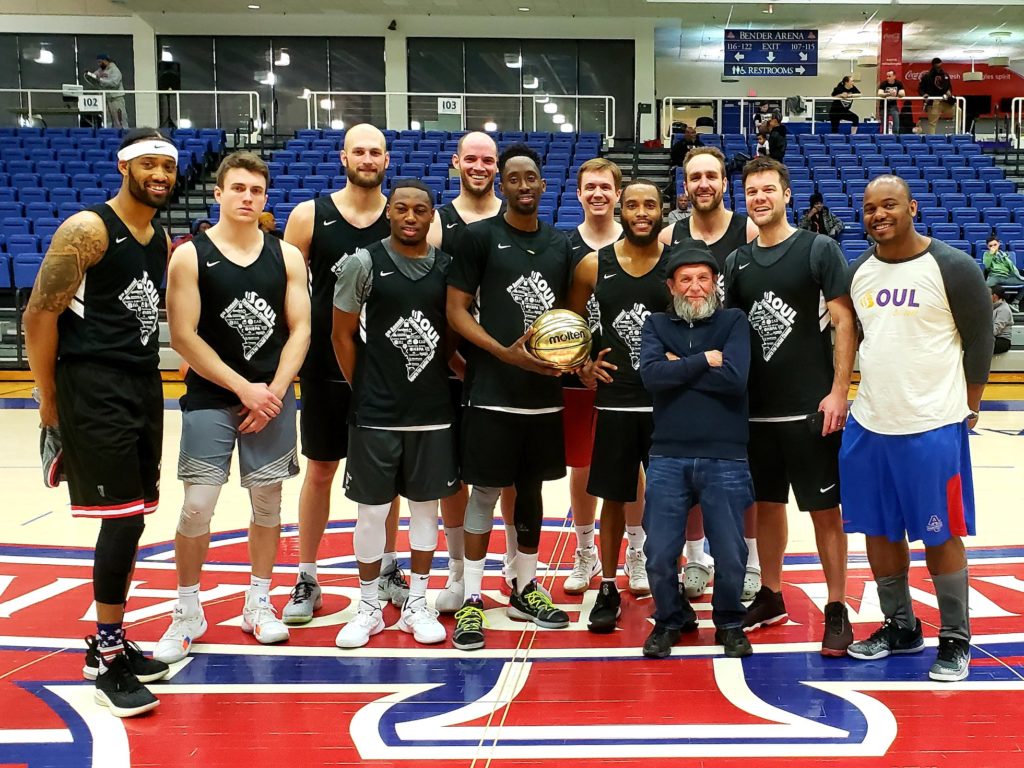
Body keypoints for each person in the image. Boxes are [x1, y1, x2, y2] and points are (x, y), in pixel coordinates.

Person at [24, 128, 177, 717]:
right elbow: (41, 314)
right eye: (148, 164)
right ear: (124, 166)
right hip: (92, 384)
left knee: (135, 517)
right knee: (117, 522)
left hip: (141, 384)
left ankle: (114, 641)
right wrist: (49, 401)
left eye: (167, 165)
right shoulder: (87, 229)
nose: (159, 174)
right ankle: (105, 654)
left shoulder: (157, 235)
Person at [155, 151, 310, 662]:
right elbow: (184, 336)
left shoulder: (285, 255)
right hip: (212, 397)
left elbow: (301, 329)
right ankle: (187, 610)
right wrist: (246, 389)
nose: (247, 197)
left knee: (267, 504)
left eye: (256, 191)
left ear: (266, 199)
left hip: (271, 399)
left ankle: (258, 602)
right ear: (218, 194)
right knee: (198, 503)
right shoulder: (189, 255)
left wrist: (273, 393)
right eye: (238, 188)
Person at [843, 175, 992, 682]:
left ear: (912, 207)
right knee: (878, 529)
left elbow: (980, 341)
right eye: (868, 208)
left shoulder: (952, 266)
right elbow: (852, 340)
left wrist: (967, 407)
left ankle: (955, 636)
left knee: (941, 532)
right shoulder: (857, 272)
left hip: (932, 425)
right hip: (870, 423)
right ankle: (901, 627)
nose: (878, 215)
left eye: (889, 205)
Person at [724, 156, 857, 657]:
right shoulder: (737, 262)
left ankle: (838, 607)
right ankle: (772, 593)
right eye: (751, 191)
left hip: (810, 408)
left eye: (767, 190)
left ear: (786, 195)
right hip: (756, 411)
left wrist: (839, 391)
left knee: (825, 510)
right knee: (767, 506)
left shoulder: (818, 249)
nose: (759, 198)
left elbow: (844, 322)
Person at [446, 143, 573, 651]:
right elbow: (455, 311)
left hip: (543, 393)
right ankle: (473, 599)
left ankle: (524, 585)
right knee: (483, 492)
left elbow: (568, 317)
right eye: (513, 177)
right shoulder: (478, 238)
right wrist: (504, 353)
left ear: (543, 186)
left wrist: (572, 360)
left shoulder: (561, 246)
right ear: (502, 185)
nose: (523, 184)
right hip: (491, 392)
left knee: (533, 492)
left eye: (531, 177)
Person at [282, 124, 408, 625]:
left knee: (389, 476)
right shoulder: (310, 215)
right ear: (343, 156)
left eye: (375, 151)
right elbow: (285, 290)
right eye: (359, 150)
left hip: (385, 368)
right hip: (324, 365)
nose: (367, 158)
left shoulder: (403, 215)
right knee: (319, 471)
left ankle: (390, 567)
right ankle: (307, 575)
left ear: (387, 159)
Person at [332, 180, 457, 648]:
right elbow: (341, 335)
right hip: (376, 413)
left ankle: (417, 604)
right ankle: (368, 606)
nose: (410, 217)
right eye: (401, 208)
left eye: (420, 210)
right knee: (372, 513)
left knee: (426, 512)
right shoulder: (363, 263)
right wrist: (363, 387)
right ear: (389, 213)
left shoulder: (446, 268)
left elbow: (453, 337)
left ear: (430, 217)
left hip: (432, 412)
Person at [639, 243, 754, 659]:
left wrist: (679, 365)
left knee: (730, 551)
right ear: (671, 285)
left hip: (725, 455)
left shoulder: (733, 320)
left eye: (703, 278)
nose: (695, 287)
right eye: (685, 279)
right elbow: (651, 377)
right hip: (667, 455)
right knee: (658, 553)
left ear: (715, 283)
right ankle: (671, 618)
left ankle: (728, 621)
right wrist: (705, 360)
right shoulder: (655, 323)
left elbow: (735, 381)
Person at [659, 146, 761, 603]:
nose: (703, 183)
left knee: (739, 474)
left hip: (741, 359)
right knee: (690, 471)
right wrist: (685, 364)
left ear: (724, 183)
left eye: (711, 176)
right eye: (694, 176)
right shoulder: (669, 235)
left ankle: (749, 561)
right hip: (689, 364)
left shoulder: (750, 229)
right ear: (685, 185)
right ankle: (696, 559)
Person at [568, 179, 665, 631]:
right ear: (621, 211)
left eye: (650, 204)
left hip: (668, 400)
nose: (641, 212)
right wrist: (582, 365)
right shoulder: (593, 265)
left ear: (663, 210)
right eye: (633, 205)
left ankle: (659, 575)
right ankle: (608, 584)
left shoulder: (677, 263)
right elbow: (567, 324)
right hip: (616, 401)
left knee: (670, 499)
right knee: (612, 496)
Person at [426, 130, 502, 613]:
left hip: (504, 372)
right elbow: (429, 301)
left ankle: (517, 568)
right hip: (450, 368)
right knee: (451, 477)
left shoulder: (515, 216)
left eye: (487, 159)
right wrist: (453, 359)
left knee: (510, 475)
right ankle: (457, 573)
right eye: (470, 158)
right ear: (456, 162)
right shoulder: (437, 223)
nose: (479, 166)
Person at [561, 158, 631, 598]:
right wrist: (578, 363)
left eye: (606, 186)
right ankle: (585, 552)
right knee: (582, 463)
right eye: (591, 187)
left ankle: (636, 553)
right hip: (579, 375)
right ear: (579, 193)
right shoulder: (564, 247)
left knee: (634, 466)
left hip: (632, 375)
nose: (598, 194)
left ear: (618, 194)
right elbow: (562, 316)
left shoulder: (639, 240)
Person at [86, 54, 129, 129]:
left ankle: (123, 137)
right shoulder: (100, 70)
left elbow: (114, 83)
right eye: (98, 62)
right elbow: (94, 79)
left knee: (120, 121)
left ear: (105, 61)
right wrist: (89, 76)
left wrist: (101, 80)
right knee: (107, 121)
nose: (99, 64)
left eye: (100, 62)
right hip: (106, 99)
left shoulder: (115, 70)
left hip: (116, 99)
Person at [918, 58, 957, 135]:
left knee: (958, 111)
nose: (939, 68)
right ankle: (931, 140)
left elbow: (949, 87)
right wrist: (924, 94)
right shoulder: (927, 76)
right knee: (932, 123)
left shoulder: (945, 75)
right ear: (933, 66)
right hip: (934, 102)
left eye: (940, 66)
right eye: (937, 67)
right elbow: (920, 89)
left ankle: (957, 133)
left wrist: (949, 91)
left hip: (945, 101)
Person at [877, 69, 906, 133]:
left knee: (896, 118)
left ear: (894, 76)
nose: (888, 78)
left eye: (889, 76)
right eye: (887, 76)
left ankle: (895, 135)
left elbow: (903, 94)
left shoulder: (898, 83)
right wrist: (889, 94)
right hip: (883, 106)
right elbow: (880, 93)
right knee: (884, 123)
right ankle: (885, 135)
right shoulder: (883, 84)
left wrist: (896, 94)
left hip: (893, 105)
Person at [992, 285, 1013, 355]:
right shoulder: (994, 307)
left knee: (979, 345)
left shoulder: (1004, 309)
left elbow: (995, 330)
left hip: (1002, 341)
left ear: (994, 296)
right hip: (994, 338)